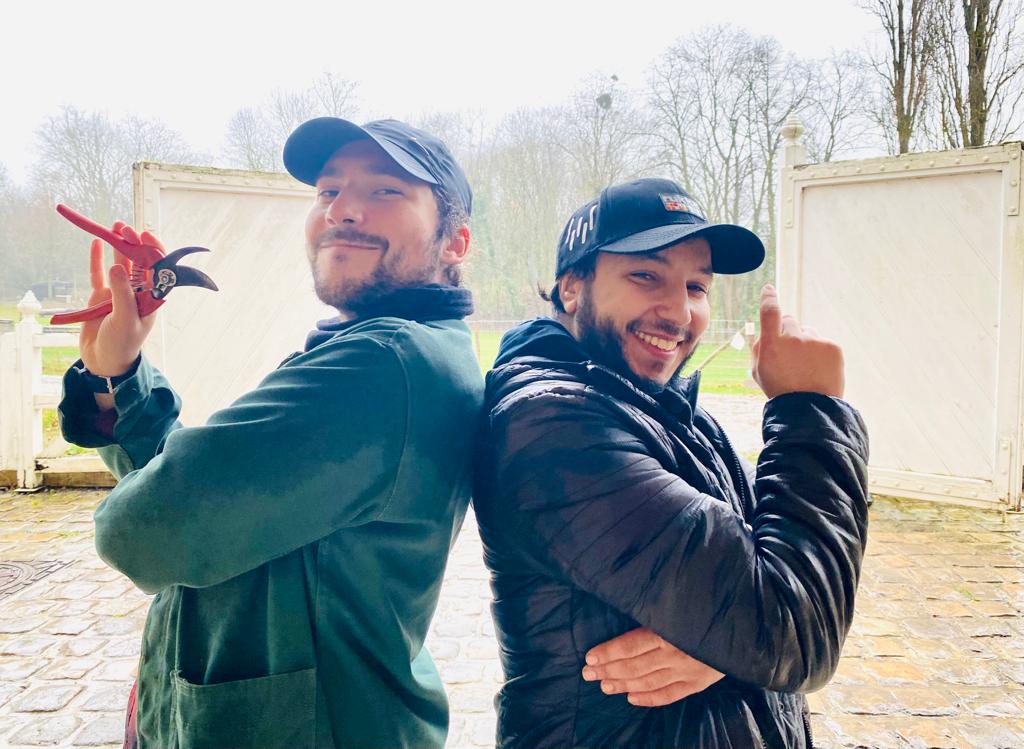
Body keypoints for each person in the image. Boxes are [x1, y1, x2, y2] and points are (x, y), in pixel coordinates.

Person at [58, 117, 483, 748]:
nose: (344, 210)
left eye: (385, 191)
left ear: (455, 242)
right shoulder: (384, 351)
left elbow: (145, 529)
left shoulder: (381, 364)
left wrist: (159, 493)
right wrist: (117, 372)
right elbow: (200, 503)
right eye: (328, 190)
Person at [473, 177, 870, 748]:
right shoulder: (552, 427)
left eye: (696, 286)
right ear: (571, 288)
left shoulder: (663, 406)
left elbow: (773, 583)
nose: (679, 312)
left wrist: (730, 645)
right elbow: (793, 630)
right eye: (645, 276)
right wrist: (811, 410)